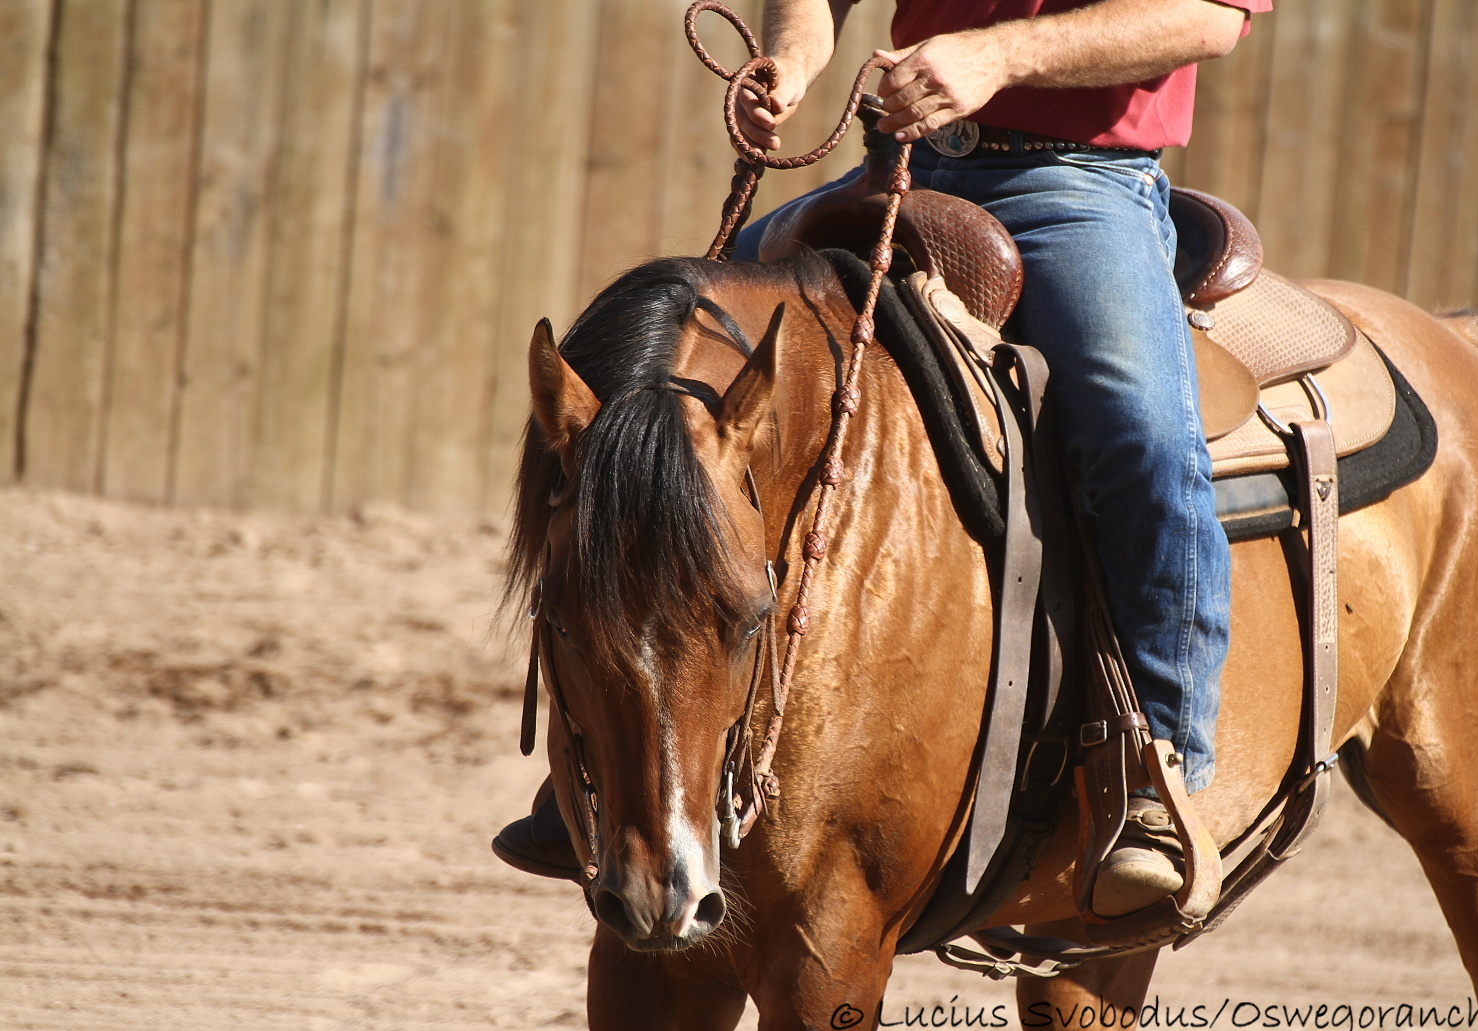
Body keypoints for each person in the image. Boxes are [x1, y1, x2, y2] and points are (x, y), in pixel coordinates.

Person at [496, 0, 1270, 919]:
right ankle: (597, 766)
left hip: (1078, 188)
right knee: (651, 371)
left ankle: (1157, 770)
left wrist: (996, 57)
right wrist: (789, 61)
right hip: (894, 167)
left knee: (1142, 434)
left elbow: (1207, 19)